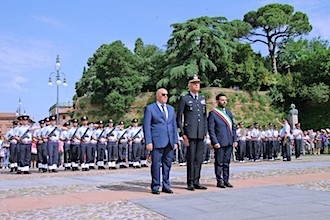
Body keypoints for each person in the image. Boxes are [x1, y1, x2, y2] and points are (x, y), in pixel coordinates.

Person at [143, 88, 179, 194]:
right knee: (156, 164)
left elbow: (173, 125)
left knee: (167, 164)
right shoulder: (150, 109)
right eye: (163, 94)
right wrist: (148, 141)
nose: (165, 96)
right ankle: (155, 185)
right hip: (157, 141)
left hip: (169, 141)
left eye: (167, 95)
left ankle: (166, 185)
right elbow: (147, 126)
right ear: (157, 96)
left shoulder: (171, 109)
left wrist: (175, 140)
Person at [177, 75, 208, 191]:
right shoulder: (185, 99)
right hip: (190, 134)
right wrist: (182, 134)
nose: (197, 85)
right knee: (190, 158)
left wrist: (205, 131)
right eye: (194, 83)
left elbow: (204, 116)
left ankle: (196, 181)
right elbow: (179, 118)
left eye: (198, 83)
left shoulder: (202, 98)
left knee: (199, 158)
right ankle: (190, 182)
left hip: (200, 133)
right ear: (190, 85)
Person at [208, 93, 237, 188]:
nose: (224, 101)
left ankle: (226, 180)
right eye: (222, 100)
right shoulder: (213, 113)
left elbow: (233, 127)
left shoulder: (229, 113)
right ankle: (219, 181)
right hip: (219, 142)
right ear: (217, 101)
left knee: (227, 163)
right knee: (219, 162)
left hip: (229, 141)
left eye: (225, 100)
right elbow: (211, 129)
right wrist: (214, 141)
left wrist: (235, 139)